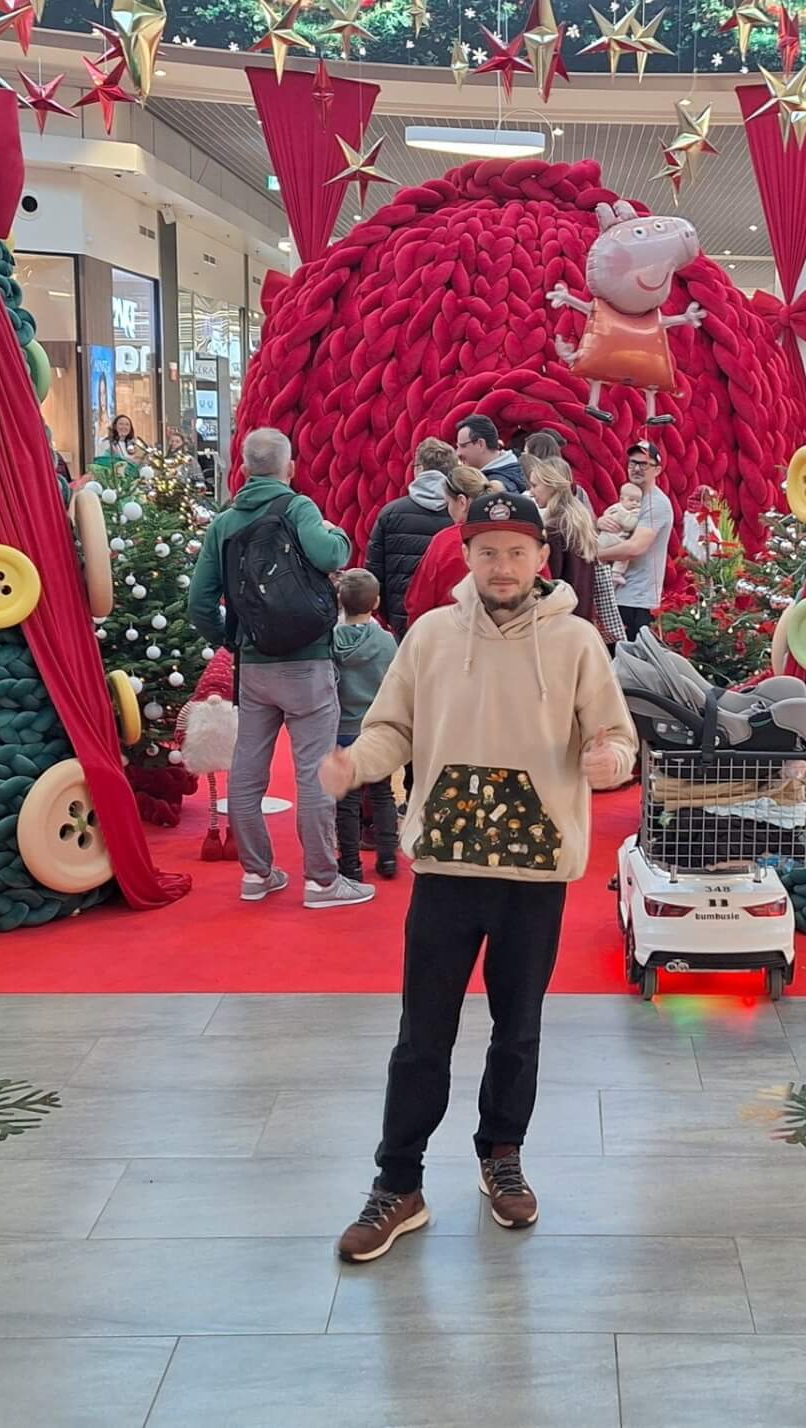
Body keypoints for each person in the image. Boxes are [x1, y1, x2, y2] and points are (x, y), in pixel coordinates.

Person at [321, 490, 637, 1262]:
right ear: (466, 556)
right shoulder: (429, 637)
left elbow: (616, 735)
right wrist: (354, 763)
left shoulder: (576, 644)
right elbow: (391, 729)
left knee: (517, 1030)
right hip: (448, 866)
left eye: (517, 552)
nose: (503, 566)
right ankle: (399, 1183)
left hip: (535, 872)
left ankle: (503, 1156)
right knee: (421, 1033)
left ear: (539, 559)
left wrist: (607, 760)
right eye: (488, 551)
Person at [187, 427, 374, 910]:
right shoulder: (298, 507)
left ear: (244, 469)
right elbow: (334, 555)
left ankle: (257, 874)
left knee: (248, 772)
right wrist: (337, 532)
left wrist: (230, 639)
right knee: (314, 773)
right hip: (308, 662)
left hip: (255, 666)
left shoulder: (223, 523)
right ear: (289, 468)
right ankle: (322, 882)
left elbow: (199, 602)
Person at [330, 569, 399, 883]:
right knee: (383, 794)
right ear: (377, 602)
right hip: (375, 729)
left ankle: (350, 863)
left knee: (347, 802)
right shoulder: (386, 642)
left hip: (342, 727)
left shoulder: (330, 641)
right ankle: (387, 858)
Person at [526, 454, 624, 644]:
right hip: (581, 618)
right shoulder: (579, 519)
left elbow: (549, 580)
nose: (531, 492)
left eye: (535, 485)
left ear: (551, 485)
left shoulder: (554, 529)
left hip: (559, 622)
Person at [365, 439, 457, 636]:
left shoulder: (391, 513)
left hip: (403, 618)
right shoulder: (460, 513)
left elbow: (375, 570)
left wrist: (387, 614)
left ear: (419, 469)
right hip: (452, 618)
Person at [597, 440, 676, 642]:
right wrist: (600, 522)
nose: (636, 469)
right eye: (632, 463)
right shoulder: (631, 498)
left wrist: (594, 554)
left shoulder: (656, 504)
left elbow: (635, 548)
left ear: (657, 470)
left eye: (643, 464)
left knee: (631, 664)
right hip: (616, 595)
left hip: (637, 599)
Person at [401, 464, 491, 630]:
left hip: (453, 635)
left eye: (448, 502)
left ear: (462, 502)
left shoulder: (446, 541)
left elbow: (420, 601)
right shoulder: (514, 536)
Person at [455, 413, 528, 494]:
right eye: (457, 447)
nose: (458, 453)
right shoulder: (517, 470)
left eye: (463, 446)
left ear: (480, 444)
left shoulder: (494, 489)